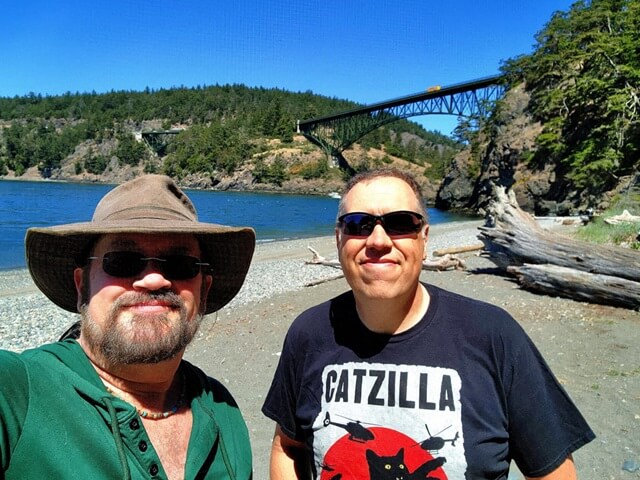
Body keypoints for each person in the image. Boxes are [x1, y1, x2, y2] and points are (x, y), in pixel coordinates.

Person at [262, 168, 595, 479]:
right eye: (359, 223)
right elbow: (288, 446)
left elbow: (552, 470)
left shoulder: (494, 335)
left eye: (400, 223)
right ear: (339, 239)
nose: (378, 240)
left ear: (423, 238)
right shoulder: (309, 333)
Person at [0, 175, 256, 479]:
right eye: (122, 260)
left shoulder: (221, 410)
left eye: (179, 264)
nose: (154, 279)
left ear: (204, 292)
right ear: (82, 286)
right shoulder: (16, 390)